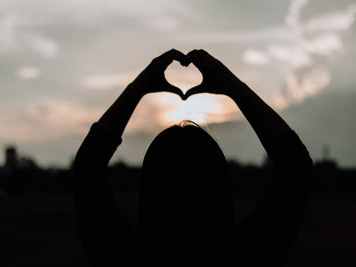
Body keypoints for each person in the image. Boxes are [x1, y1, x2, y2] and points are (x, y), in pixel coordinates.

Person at [73, 49, 312, 266]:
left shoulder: (121, 256)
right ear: (218, 184)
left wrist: (139, 86)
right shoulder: (247, 256)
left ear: (150, 187)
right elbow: (296, 166)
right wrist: (231, 86)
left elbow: (87, 167)